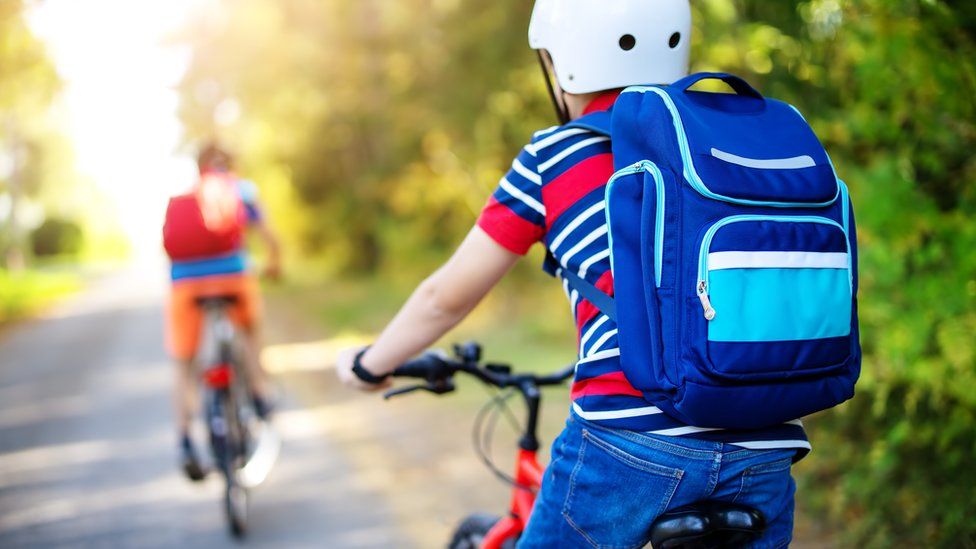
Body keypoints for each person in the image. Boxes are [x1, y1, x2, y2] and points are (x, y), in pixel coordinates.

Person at [337, 1, 804, 546]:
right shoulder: (733, 140)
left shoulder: (556, 153)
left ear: (565, 64)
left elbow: (446, 297)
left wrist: (370, 366)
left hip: (629, 441)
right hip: (768, 441)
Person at [165, 143, 282, 481]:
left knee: (184, 363)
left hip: (185, 282)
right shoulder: (241, 190)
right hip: (233, 275)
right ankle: (260, 395)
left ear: (199, 166)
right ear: (232, 164)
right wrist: (274, 264)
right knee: (250, 332)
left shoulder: (184, 193)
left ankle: (185, 439)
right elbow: (268, 236)